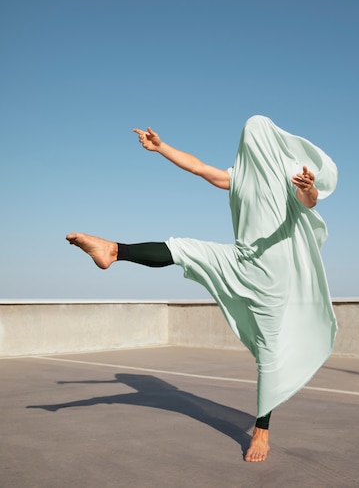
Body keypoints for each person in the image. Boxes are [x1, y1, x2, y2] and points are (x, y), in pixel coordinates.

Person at [66, 115, 338, 463]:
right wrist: (161, 147)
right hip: (240, 260)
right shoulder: (237, 177)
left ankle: (262, 430)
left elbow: (310, 201)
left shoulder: (289, 180)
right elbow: (197, 167)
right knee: (185, 249)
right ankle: (114, 250)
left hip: (274, 279)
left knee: (269, 354)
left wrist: (306, 187)